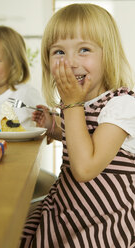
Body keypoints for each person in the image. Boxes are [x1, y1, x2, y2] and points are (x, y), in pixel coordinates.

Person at [20, 3, 135, 248]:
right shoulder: (80, 102)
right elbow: (86, 138)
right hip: (70, 206)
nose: (70, 62)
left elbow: (85, 168)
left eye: (84, 49)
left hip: (103, 219)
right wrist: (54, 127)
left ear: (109, 54)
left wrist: (72, 105)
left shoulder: (123, 106)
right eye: (59, 52)